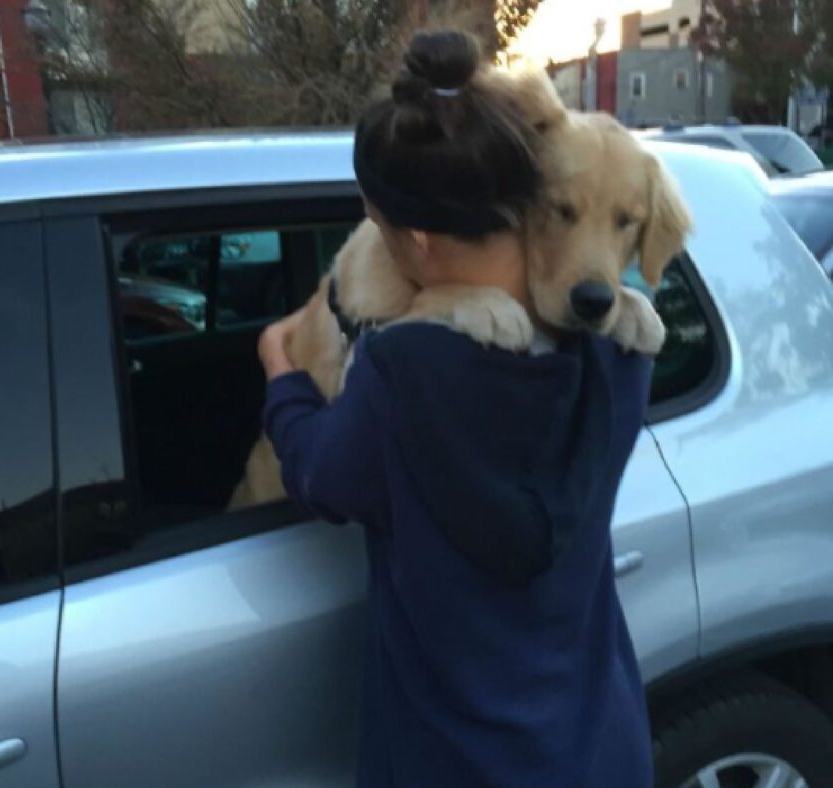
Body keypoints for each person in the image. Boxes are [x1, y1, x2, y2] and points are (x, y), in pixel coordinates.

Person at [258, 30, 653, 788]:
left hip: (459, 763)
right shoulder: (622, 350)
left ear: (410, 235)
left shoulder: (401, 373)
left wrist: (282, 375)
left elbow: (319, 477)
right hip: (600, 746)